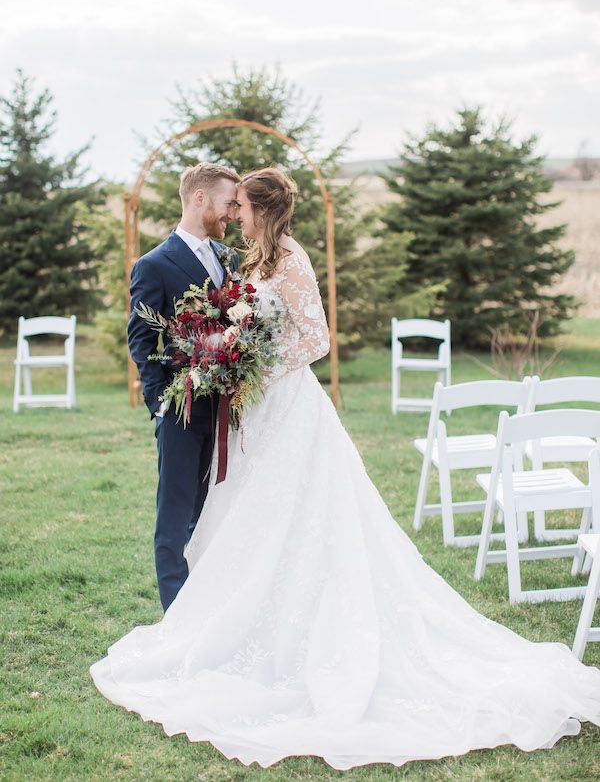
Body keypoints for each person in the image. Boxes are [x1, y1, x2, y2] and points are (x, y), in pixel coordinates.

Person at [92, 167, 600, 771]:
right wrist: (215, 368)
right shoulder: (232, 259)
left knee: (299, 514)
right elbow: (159, 337)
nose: (233, 214)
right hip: (235, 411)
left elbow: (315, 339)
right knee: (229, 520)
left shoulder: (284, 258)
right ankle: (209, 625)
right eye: (229, 204)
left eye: (241, 206)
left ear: (259, 208)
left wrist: (249, 357)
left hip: (283, 404)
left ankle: (275, 631)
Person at [127, 162, 240, 611]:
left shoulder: (230, 259)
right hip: (181, 408)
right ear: (200, 199)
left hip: (230, 408)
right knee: (175, 517)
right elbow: (141, 338)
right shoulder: (153, 265)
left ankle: (209, 606)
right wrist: (160, 403)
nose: (233, 213)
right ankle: (177, 619)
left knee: (213, 511)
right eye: (228, 203)